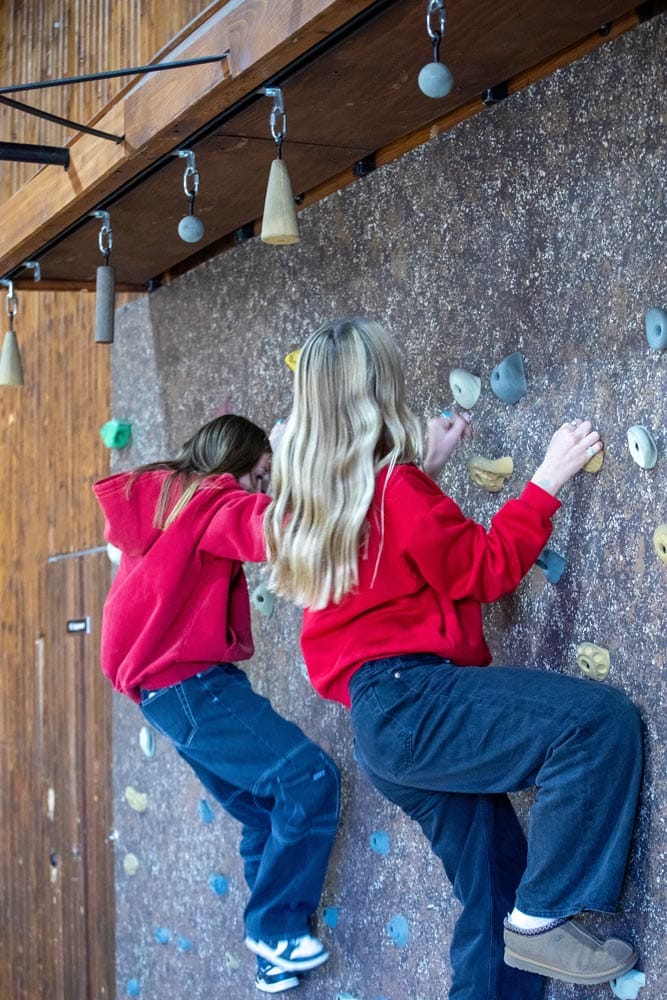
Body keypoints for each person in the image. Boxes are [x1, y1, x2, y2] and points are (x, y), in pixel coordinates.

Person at [264, 317, 643, 1000]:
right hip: (414, 700)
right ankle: (545, 920)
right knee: (593, 724)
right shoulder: (394, 489)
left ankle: (524, 925)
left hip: (385, 730)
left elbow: (379, 551)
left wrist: (427, 471)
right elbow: (487, 569)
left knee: (495, 889)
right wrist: (546, 479)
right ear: (379, 392)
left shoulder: (317, 502)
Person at [93, 414, 340, 995]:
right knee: (308, 778)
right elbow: (271, 528)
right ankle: (273, 929)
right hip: (191, 685)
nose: (264, 488)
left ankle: (272, 958)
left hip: (165, 696)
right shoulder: (208, 498)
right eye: (260, 475)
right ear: (235, 467)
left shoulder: (168, 500)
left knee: (263, 811)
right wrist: (299, 457)